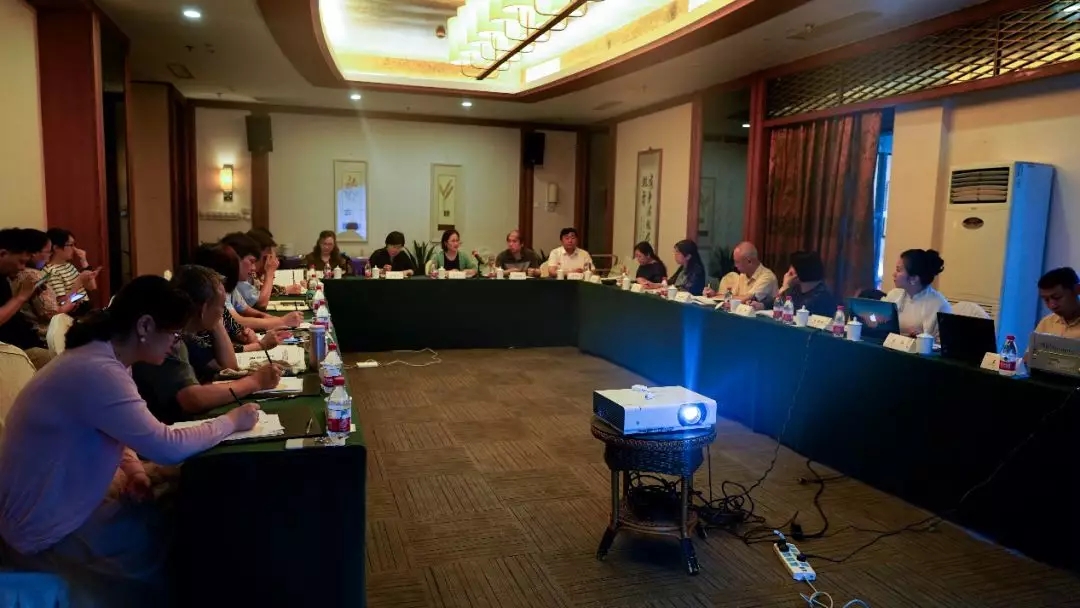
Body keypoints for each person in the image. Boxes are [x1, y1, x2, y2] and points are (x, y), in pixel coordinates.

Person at [0, 275, 260, 606]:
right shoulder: (97, 369)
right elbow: (165, 446)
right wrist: (231, 421)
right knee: (182, 532)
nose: (174, 344)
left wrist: (135, 471)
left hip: (62, 506)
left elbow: (118, 432)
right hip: (45, 528)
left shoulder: (109, 359)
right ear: (145, 326)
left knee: (183, 506)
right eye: (173, 334)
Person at [131, 265, 281, 425]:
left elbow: (228, 368)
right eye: (221, 306)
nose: (224, 312)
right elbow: (192, 398)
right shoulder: (170, 336)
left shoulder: (188, 333)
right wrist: (255, 382)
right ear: (203, 309)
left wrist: (215, 320)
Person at [220, 233, 303, 331]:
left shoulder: (230, 283)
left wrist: (276, 319)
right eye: (251, 261)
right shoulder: (218, 284)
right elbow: (236, 321)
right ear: (235, 258)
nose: (253, 268)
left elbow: (247, 310)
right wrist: (282, 321)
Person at [11, 229, 75, 348]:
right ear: (33, 253)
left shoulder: (15, 273)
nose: (49, 256)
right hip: (44, 335)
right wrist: (67, 306)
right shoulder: (32, 275)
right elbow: (50, 313)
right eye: (48, 252)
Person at [0, 228, 50, 368]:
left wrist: (27, 295)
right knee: (62, 363)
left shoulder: (4, 277)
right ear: (2, 254)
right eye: (21, 262)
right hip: (10, 351)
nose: (22, 268)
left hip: (25, 342)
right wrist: (21, 297)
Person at [882, 248, 951, 337]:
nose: (894, 274)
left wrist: (923, 337)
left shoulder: (940, 305)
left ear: (914, 278)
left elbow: (942, 342)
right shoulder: (894, 294)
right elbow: (877, 319)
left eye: (899, 270)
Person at [44, 228, 100, 314]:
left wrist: (84, 262)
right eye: (70, 245)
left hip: (86, 307)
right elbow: (62, 302)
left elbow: (92, 288)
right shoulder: (52, 271)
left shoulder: (69, 265)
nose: (74, 249)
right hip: (73, 313)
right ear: (56, 248)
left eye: (74, 245)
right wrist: (80, 280)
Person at [704, 241, 778, 304]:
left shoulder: (767, 277)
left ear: (749, 261)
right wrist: (714, 294)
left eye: (737, 262)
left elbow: (746, 299)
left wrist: (717, 296)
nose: (735, 265)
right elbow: (732, 297)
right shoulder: (743, 275)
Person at [774, 251, 838, 317]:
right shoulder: (795, 288)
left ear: (801, 270)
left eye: (793, 266)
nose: (788, 272)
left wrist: (785, 287)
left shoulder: (821, 295)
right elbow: (776, 307)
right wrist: (784, 288)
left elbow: (793, 314)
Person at [1033, 267, 1080, 339]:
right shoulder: (1046, 323)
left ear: (1077, 289)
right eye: (1046, 300)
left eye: (1057, 297)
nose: (1052, 305)